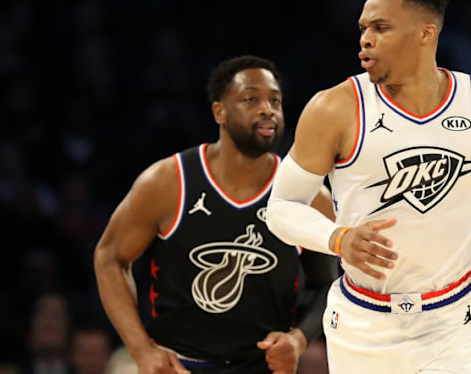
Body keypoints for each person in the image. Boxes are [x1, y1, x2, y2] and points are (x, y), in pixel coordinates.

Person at [266, 0, 471, 373]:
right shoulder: (335, 109)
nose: (365, 39)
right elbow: (281, 207)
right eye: (363, 29)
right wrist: (337, 238)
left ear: (426, 34)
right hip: (365, 324)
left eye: (381, 28)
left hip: (459, 320)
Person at [94, 55, 338, 374]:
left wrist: (299, 339)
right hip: (178, 364)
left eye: (275, 100)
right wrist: (141, 350)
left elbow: (326, 284)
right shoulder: (169, 182)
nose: (267, 109)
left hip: (260, 365)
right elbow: (109, 258)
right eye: (251, 98)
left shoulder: (308, 196)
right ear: (219, 112)